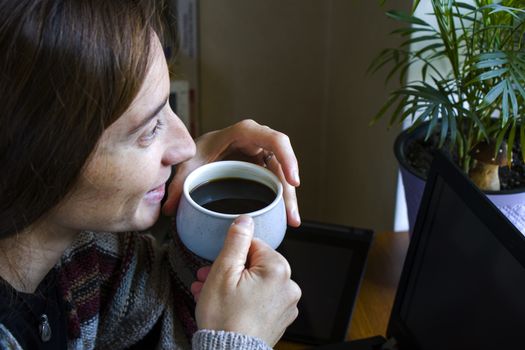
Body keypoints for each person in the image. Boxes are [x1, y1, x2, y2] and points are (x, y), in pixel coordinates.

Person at [0, 1, 302, 349]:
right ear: (41, 155)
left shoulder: (87, 260)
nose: (188, 146)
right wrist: (237, 343)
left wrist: (208, 215)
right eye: (149, 129)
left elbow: (165, 321)